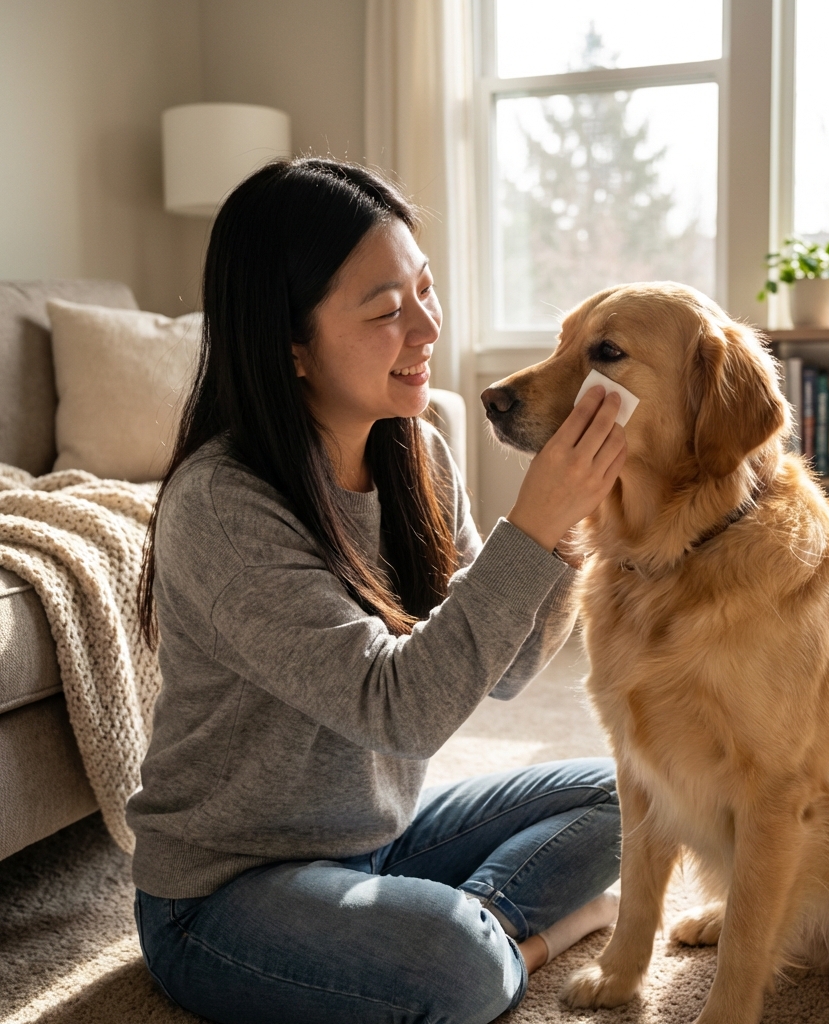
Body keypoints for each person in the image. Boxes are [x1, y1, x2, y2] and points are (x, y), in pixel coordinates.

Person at [127, 158, 628, 1024]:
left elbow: (503, 673)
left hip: (381, 836)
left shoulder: (417, 448)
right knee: (454, 969)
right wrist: (534, 527)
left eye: (425, 290)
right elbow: (399, 709)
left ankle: (455, 924)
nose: (426, 326)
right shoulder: (223, 505)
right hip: (222, 891)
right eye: (387, 310)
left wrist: (572, 527)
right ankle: (508, 939)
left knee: (636, 793)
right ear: (290, 341)